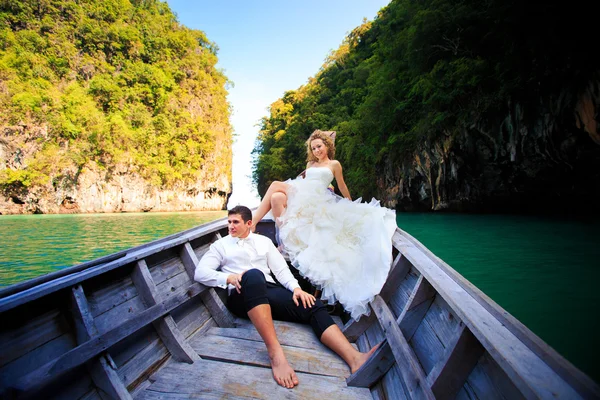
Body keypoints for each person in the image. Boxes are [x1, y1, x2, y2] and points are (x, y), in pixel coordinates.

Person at [194, 206, 380, 389]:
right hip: (241, 294)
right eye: (229, 222)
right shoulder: (220, 245)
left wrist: (297, 289)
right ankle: (276, 355)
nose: (230, 226)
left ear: (249, 223)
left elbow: (281, 271)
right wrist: (228, 278)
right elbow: (200, 273)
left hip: (268, 291)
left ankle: (354, 358)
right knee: (253, 275)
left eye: (235, 222)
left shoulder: (263, 242)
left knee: (312, 304)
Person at [251, 129, 397, 320]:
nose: (317, 150)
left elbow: (342, 185)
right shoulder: (310, 163)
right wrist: (316, 137)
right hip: (303, 193)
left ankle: (253, 223)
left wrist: (349, 203)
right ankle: (263, 227)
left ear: (327, 146)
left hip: (317, 199)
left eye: (319, 146)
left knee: (275, 187)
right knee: (277, 194)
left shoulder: (335, 164)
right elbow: (301, 179)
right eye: (313, 148)